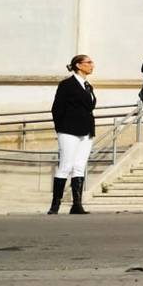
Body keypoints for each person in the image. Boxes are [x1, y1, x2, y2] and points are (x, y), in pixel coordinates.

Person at [48, 55, 96, 215]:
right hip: (69, 130)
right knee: (66, 165)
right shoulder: (67, 84)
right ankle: (55, 205)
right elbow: (57, 108)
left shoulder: (87, 85)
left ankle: (77, 204)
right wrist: (61, 128)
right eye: (88, 62)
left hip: (87, 130)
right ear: (78, 65)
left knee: (79, 166)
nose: (92, 65)